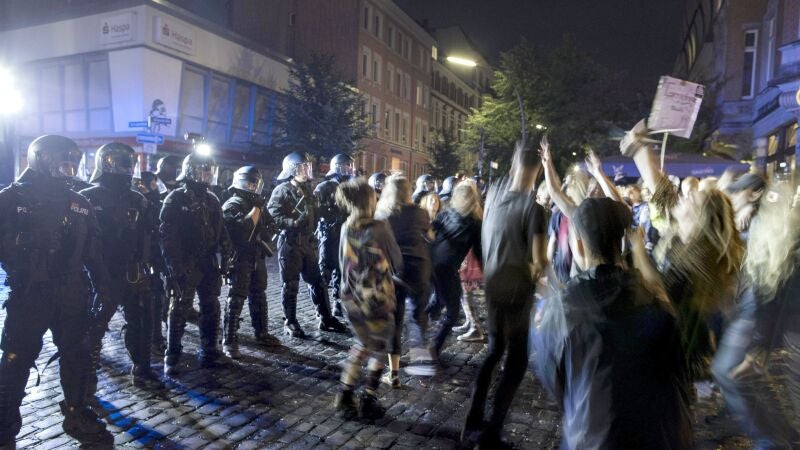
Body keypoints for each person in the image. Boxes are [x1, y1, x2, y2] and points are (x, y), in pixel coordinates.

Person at [535, 197, 693, 449]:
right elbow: (678, 369)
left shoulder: (560, 310)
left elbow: (554, 378)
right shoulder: (654, 299)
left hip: (596, 437)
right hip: (663, 436)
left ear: (579, 245)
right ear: (621, 243)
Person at [0, 135, 111, 445]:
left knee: (78, 354)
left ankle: (77, 412)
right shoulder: (12, 199)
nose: (69, 170)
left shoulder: (80, 203)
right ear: (42, 160)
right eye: (63, 163)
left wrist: (104, 286)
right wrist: (23, 251)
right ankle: (4, 424)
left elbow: (93, 252)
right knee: (15, 359)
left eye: (73, 164)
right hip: (30, 293)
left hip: (72, 293)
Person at [620, 119, 744, 384]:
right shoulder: (681, 232)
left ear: (700, 218)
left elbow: (658, 289)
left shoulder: (703, 257)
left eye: (691, 199)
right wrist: (638, 147)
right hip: (668, 337)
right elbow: (658, 185)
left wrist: (638, 250)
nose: (684, 197)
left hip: (681, 348)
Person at [461, 142, 547, 447]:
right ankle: (492, 432)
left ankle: (472, 420)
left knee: (494, 351)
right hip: (517, 291)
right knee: (517, 360)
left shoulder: (496, 192)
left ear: (513, 165)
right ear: (538, 171)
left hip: (494, 284)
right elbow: (540, 261)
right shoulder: (535, 209)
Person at [711, 184, 800, 448]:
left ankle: (773, 440)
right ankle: (777, 438)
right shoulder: (780, 246)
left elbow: (778, 304)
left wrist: (756, 352)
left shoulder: (786, 252)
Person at [80, 143, 161, 389]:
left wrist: (153, 264)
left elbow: (150, 235)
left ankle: (142, 367)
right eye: (121, 163)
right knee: (94, 325)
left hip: (133, 270)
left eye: (129, 164)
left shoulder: (138, 199)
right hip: (101, 271)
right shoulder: (88, 197)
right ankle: (85, 380)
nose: (126, 169)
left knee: (142, 321)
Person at [333, 178, 402, 421]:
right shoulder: (380, 227)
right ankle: (368, 398)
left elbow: (342, 263)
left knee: (361, 344)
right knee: (379, 347)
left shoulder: (346, 226)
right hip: (377, 297)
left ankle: (345, 396)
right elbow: (397, 260)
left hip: (351, 296)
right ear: (370, 200)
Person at [160, 152, 233, 374]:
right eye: (202, 171)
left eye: (209, 171)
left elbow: (221, 229)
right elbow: (167, 236)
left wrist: (227, 253)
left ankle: (209, 351)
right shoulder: (175, 198)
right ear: (190, 171)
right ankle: (172, 356)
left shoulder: (212, 199)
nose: (207, 175)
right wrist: (175, 267)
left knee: (211, 306)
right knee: (179, 308)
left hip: (208, 262)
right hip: (186, 261)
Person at [267, 152, 347, 338]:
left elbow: (316, 213)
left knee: (318, 282)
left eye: (306, 167)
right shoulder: (282, 190)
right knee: (291, 284)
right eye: (302, 168)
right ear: (292, 170)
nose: (305, 171)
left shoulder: (308, 190)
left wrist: (331, 211)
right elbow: (272, 215)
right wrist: (292, 222)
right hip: (290, 242)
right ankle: (290, 321)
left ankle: (326, 318)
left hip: (307, 242)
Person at [375, 175, 435, 380]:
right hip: (419, 267)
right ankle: (421, 360)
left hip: (395, 271)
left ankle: (393, 374)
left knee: (395, 321)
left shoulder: (383, 214)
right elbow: (430, 237)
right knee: (418, 317)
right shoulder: (420, 212)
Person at [222, 166, 280, 359]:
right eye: (250, 183)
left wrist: (263, 234)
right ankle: (229, 340)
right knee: (236, 297)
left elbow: (271, 225)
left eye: (255, 183)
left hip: (257, 255)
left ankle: (261, 332)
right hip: (241, 257)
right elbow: (244, 228)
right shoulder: (233, 203)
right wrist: (256, 208)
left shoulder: (258, 204)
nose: (253, 186)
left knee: (259, 294)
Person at [429, 180, 483, 357]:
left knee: (438, 300)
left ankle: (421, 322)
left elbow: (430, 232)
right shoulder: (475, 223)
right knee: (453, 312)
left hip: (430, 262)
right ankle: (433, 347)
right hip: (447, 268)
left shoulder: (445, 213)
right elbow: (479, 252)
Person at [314, 153, 354, 317]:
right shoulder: (324, 186)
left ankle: (338, 303)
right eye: (344, 165)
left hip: (345, 233)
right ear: (337, 166)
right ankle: (322, 309)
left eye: (348, 165)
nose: (347, 168)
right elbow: (316, 209)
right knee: (325, 271)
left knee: (341, 269)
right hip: (329, 233)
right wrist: (330, 216)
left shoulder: (350, 186)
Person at [134, 171, 169, 353]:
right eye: (151, 184)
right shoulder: (135, 203)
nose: (154, 187)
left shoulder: (156, 204)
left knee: (156, 297)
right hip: (135, 258)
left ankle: (155, 338)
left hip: (154, 257)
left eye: (155, 184)